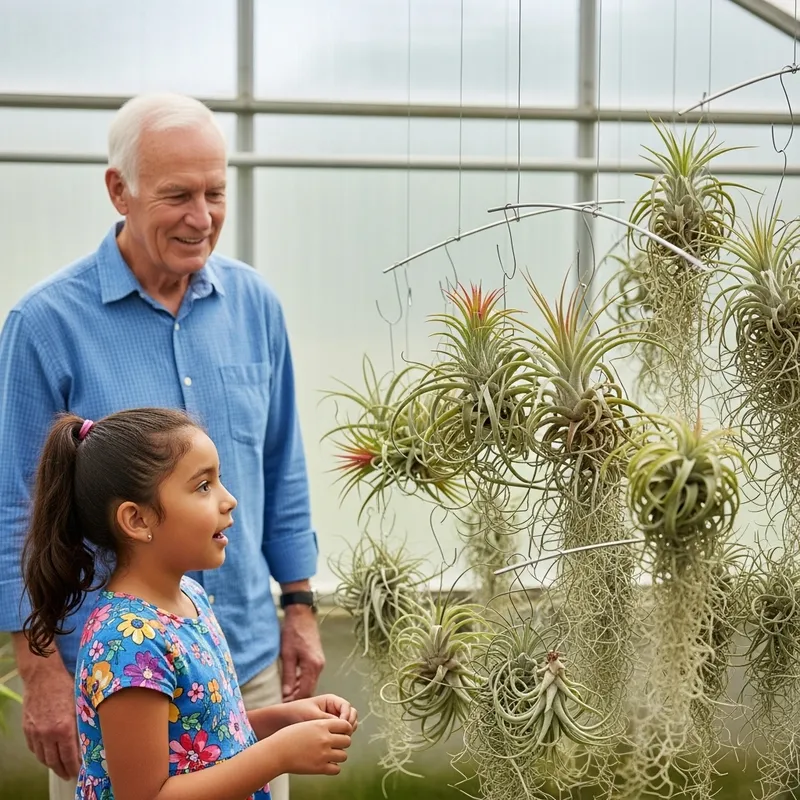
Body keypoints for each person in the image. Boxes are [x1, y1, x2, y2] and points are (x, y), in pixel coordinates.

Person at [0, 93, 323, 800]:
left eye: (215, 193)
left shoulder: (256, 306)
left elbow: (281, 463)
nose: (201, 217)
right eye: (178, 195)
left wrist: (299, 605)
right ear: (119, 190)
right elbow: (15, 507)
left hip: (239, 644)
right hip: (119, 682)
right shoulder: (43, 323)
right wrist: (42, 669)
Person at [21, 408, 357, 800]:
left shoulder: (190, 598)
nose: (229, 500)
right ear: (137, 520)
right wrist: (278, 754)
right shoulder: (129, 641)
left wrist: (282, 721)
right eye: (203, 486)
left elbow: (199, 733)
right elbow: (148, 795)